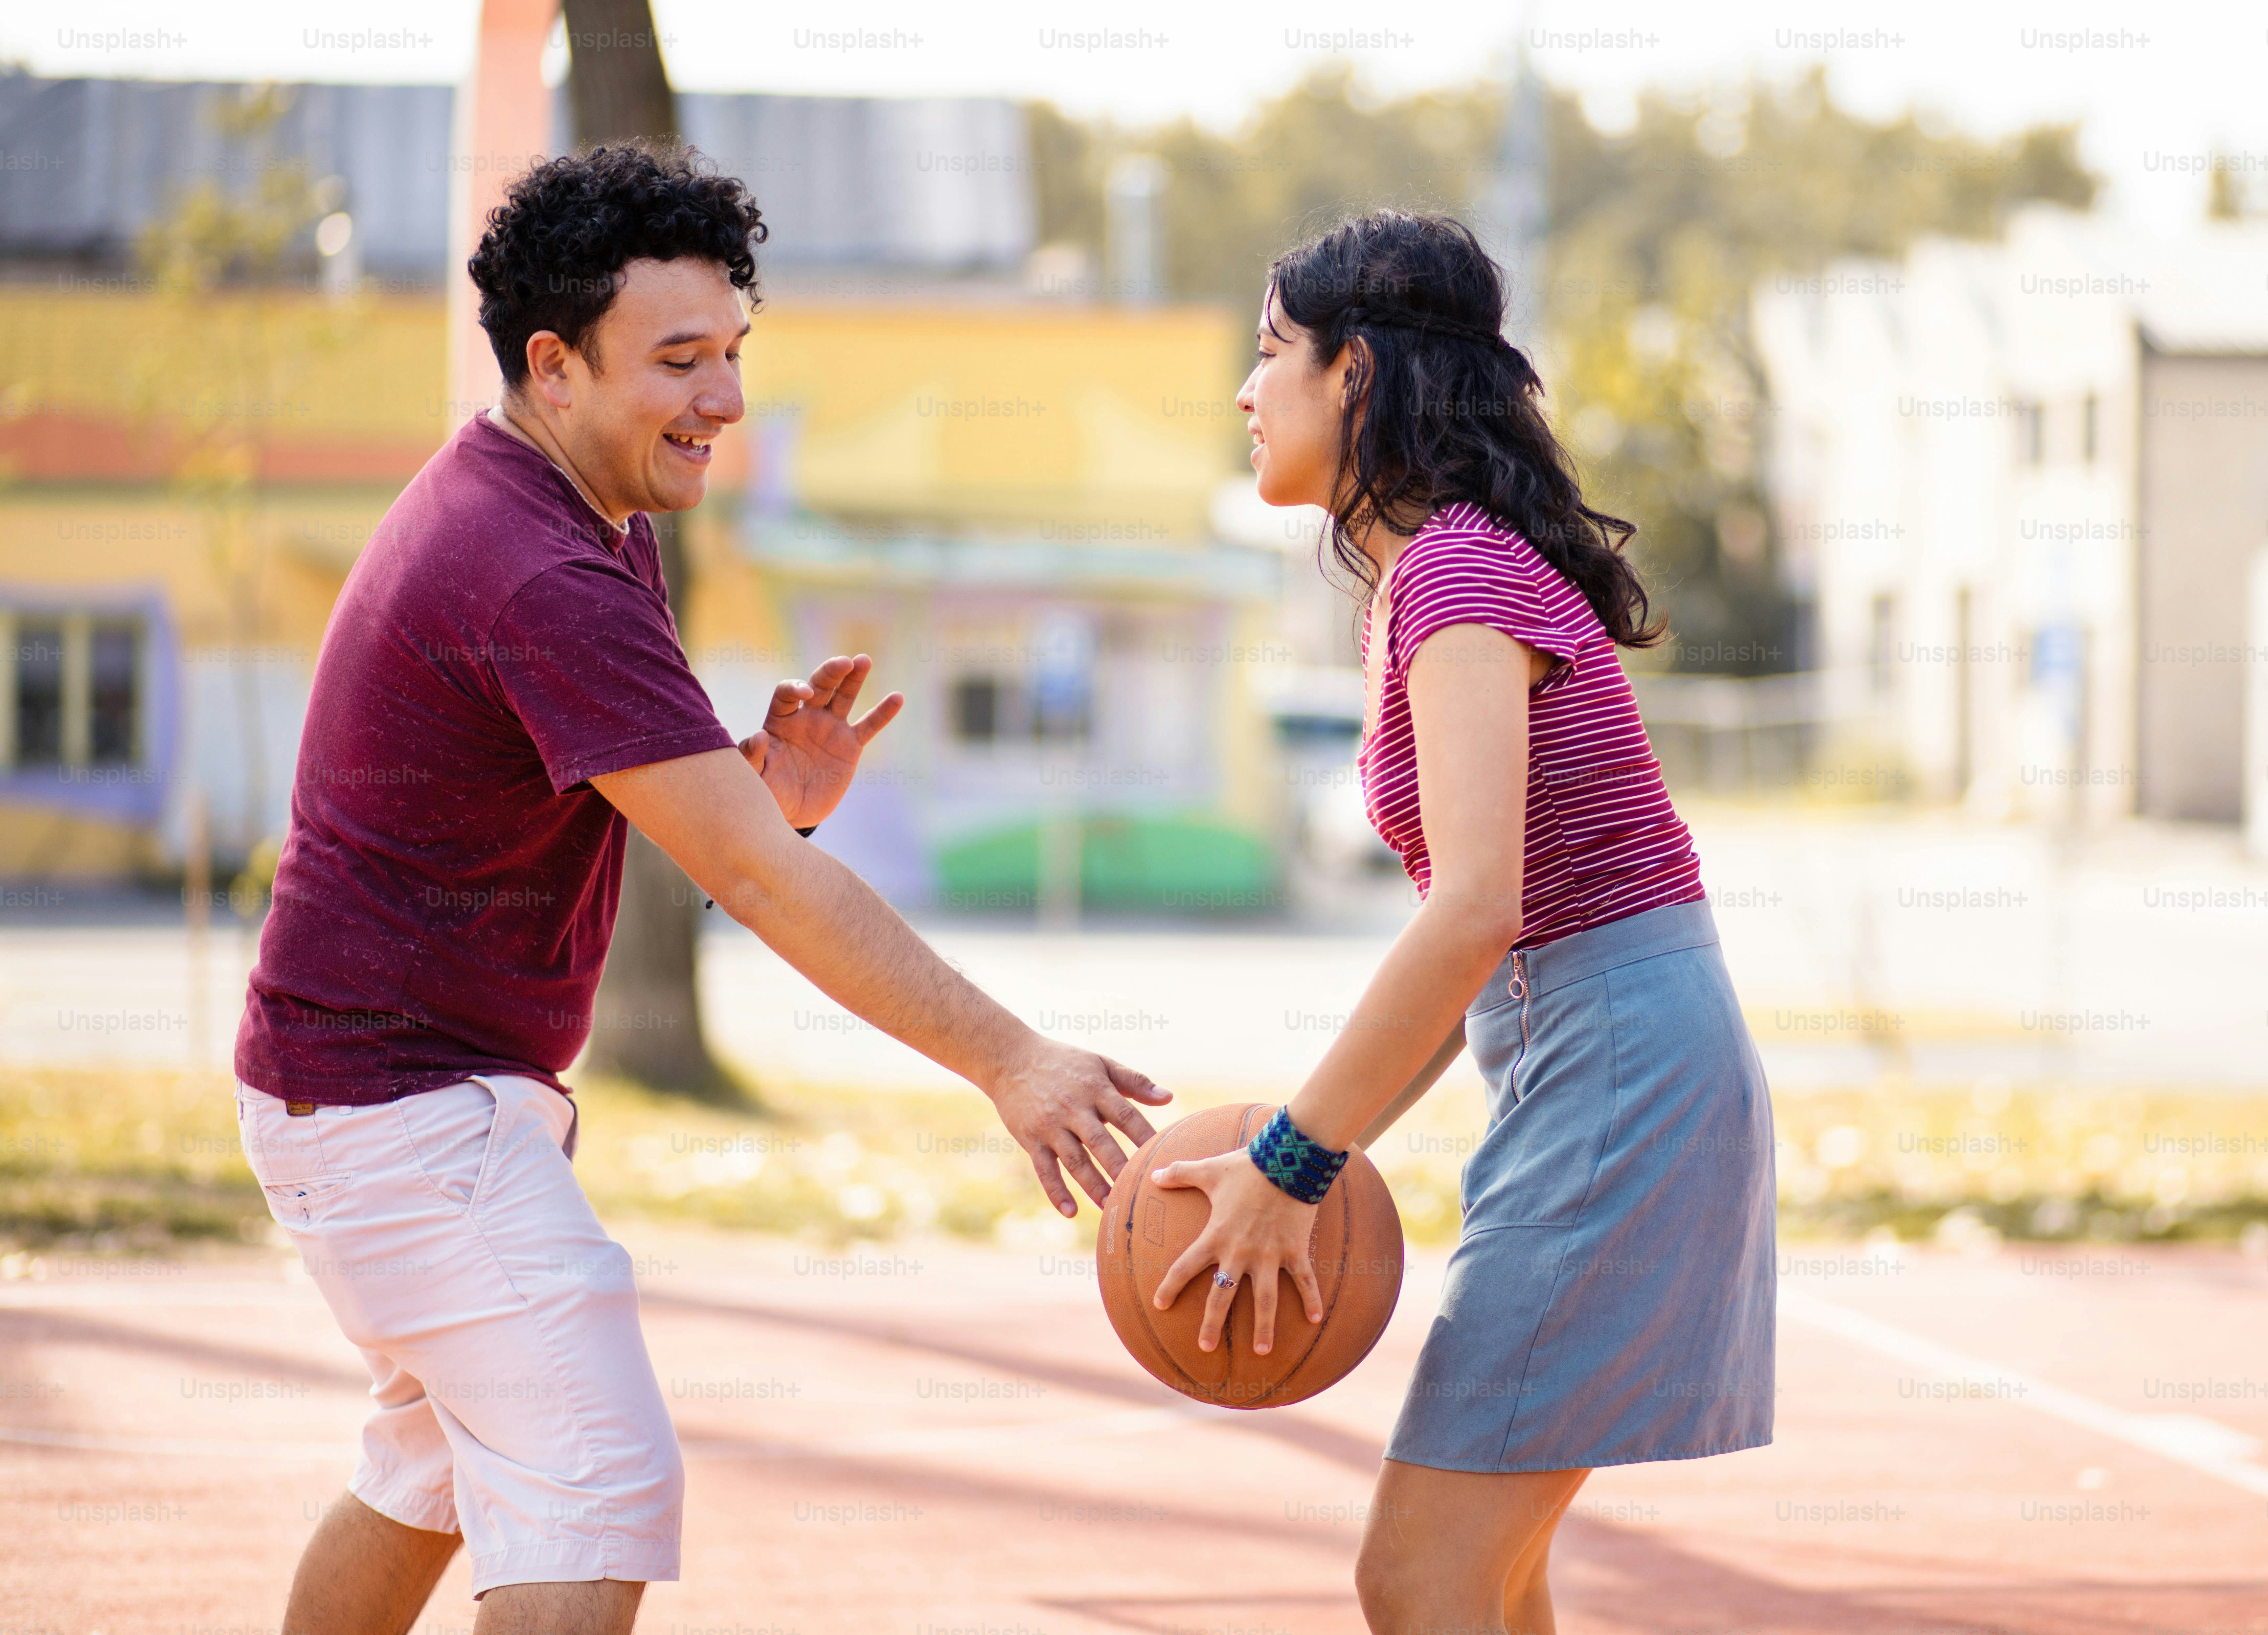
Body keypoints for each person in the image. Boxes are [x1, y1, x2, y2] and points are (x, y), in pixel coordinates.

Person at [233, 143, 1167, 1634]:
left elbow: (707, 830)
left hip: (382, 1096)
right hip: (396, 1112)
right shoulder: (538, 566)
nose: (723, 398)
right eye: (679, 360)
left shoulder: (588, 522)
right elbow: (756, 881)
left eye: (733, 352)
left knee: (431, 1470)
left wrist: (762, 796)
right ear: (554, 366)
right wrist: (1016, 1059)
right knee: (594, 1483)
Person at [1147, 212, 1776, 1635]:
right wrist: (1308, 1151)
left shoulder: (1459, 577)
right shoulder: (1435, 579)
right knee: (1491, 1581)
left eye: (1267, 356)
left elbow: (1476, 915)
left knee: (1421, 1576)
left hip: (1622, 1067)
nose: (1244, 395)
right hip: (1602, 1055)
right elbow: (1469, 936)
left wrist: (1292, 1161)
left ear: (1356, 375)